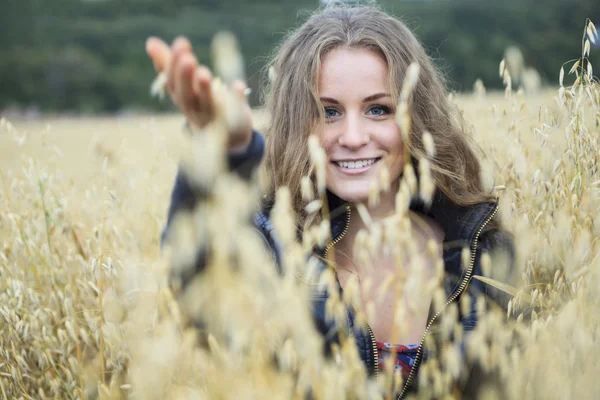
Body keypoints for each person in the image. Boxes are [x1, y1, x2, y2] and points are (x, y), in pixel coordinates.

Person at [147, 5, 514, 398]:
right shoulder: (270, 247)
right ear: (296, 122)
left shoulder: (480, 249)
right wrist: (230, 151)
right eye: (328, 112)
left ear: (416, 116)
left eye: (378, 109)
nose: (353, 136)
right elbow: (194, 302)